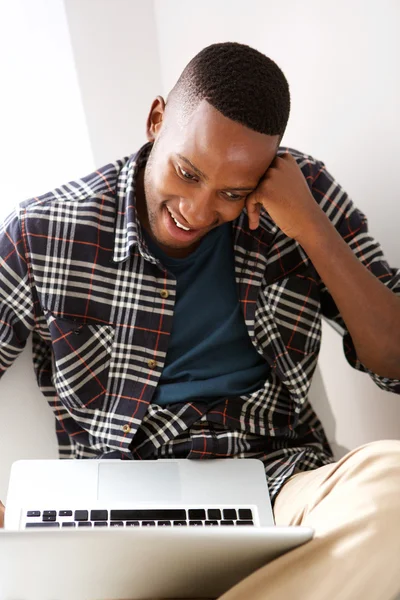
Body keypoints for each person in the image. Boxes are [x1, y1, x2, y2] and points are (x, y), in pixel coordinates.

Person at [0, 41, 399, 599]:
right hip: (128, 503)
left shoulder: (302, 197)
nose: (197, 209)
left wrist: (311, 227)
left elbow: (394, 360)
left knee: (393, 483)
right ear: (156, 120)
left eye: (232, 193)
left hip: (277, 481)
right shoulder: (46, 230)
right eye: (186, 173)